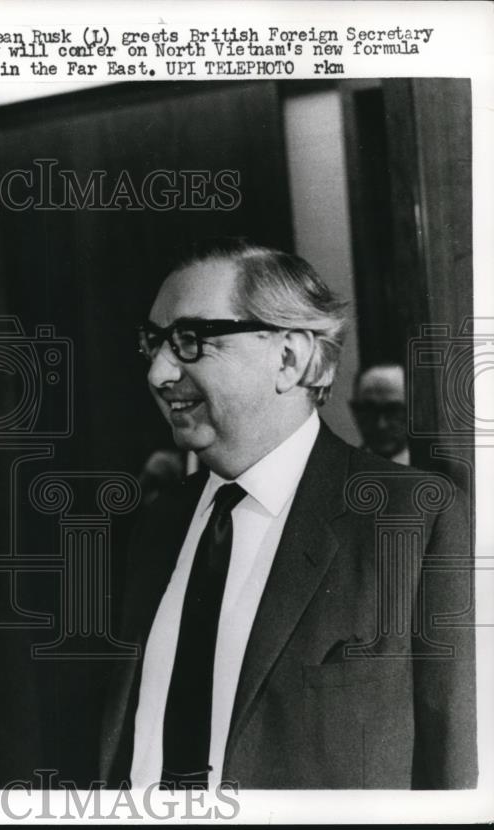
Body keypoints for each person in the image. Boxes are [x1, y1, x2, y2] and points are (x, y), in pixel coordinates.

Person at [101, 239, 475, 789]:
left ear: (289, 357)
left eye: (190, 340)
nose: (158, 372)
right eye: (153, 342)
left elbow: (458, 773)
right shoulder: (154, 525)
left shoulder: (415, 520)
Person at [350, 363, 409, 464]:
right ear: (355, 412)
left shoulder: (438, 471)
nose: (381, 425)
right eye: (370, 411)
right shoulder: (342, 472)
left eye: (393, 411)